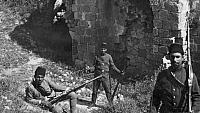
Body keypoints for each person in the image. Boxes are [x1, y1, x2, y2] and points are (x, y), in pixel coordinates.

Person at [151, 43, 200, 113]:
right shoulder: (162, 75)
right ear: (169, 57)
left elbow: (197, 97)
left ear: (182, 58)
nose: (175, 60)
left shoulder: (190, 76)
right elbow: (155, 97)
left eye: (178, 57)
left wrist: (194, 110)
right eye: (172, 57)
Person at [90, 42, 124, 108]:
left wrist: (119, 72)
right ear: (100, 49)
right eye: (102, 49)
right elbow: (94, 66)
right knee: (94, 90)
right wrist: (89, 69)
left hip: (105, 76)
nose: (103, 50)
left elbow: (113, 66)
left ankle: (110, 104)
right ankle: (93, 103)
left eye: (104, 49)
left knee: (108, 90)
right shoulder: (97, 56)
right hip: (97, 75)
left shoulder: (109, 57)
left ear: (106, 50)